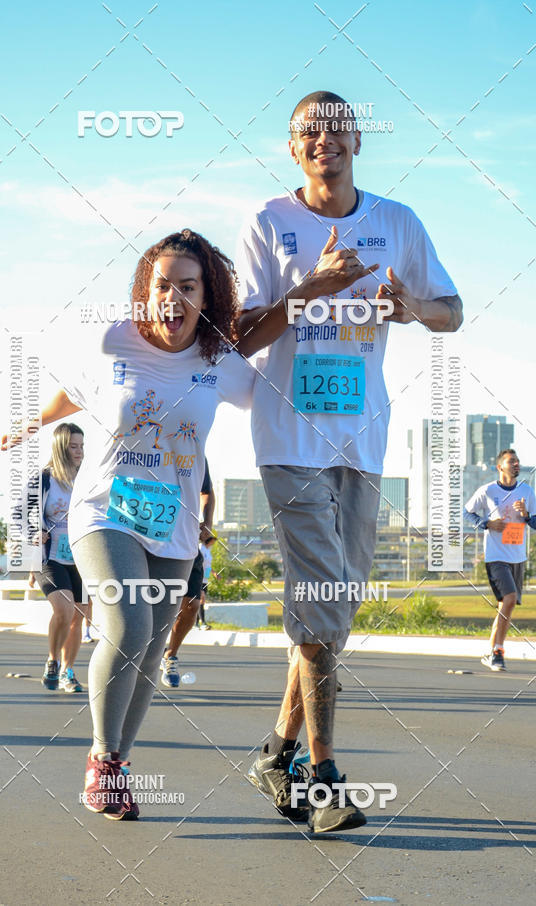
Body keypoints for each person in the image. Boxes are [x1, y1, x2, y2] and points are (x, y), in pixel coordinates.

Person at [236, 90, 462, 834]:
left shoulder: (396, 222)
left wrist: (410, 309)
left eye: (334, 130)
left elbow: (451, 310)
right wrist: (311, 291)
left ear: (357, 139)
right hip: (288, 441)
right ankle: (325, 776)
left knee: (334, 608)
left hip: (362, 443)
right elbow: (239, 338)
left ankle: (277, 749)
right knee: (325, 600)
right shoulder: (270, 222)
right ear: (292, 149)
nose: (322, 141)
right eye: (307, 133)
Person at [3, 229, 253, 820]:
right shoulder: (112, 339)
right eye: (161, 285)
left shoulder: (222, 360)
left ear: (205, 296)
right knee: (126, 622)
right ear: (146, 290)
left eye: (186, 287)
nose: (173, 298)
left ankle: (116, 761)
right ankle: (98, 757)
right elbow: (75, 392)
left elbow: (274, 388)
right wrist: (31, 423)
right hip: (104, 508)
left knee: (150, 645)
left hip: (175, 519)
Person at [464, 449, 536, 671]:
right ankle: (498, 651)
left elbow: (534, 523)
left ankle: (490, 650)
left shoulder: (527, 491)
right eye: (511, 461)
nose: (516, 464)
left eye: (517, 461)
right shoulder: (487, 490)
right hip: (496, 557)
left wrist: (525, 514)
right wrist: (486, 524)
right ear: (500, 467)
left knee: (505, 605)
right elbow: (467, 512)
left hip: (518, 557)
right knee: (510, 599)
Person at [31, 423, 89, 693]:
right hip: (50, 555)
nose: (79, 451)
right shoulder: (44, 479)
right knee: (64, 610)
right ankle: (52, 661)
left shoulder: (89, 478)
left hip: (84, 555)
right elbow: (19, 516)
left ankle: (68, 671)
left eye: (81, 446)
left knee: (79, 616)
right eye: (73, 446)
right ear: (60, 448)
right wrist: (34, 531)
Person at [160, 458, 215, 688]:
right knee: (157, 603)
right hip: (153, 539)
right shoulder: (145, 444)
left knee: (191, 605)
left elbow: (207, 492)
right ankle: (142, 654)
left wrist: (208, 522)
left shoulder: (195, 451)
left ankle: (170, 655)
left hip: (187, 539)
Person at [197, 534, 216, 629]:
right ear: (209, 539)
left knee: (200, 601)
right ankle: (203, 623)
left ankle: (196, 623)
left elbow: (208, 564)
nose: (214, 542)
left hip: (205, 578)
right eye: (214, 540)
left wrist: (214, 573)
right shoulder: (200, 548)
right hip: (198, 578)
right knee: (201, 599)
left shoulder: (208, 550)